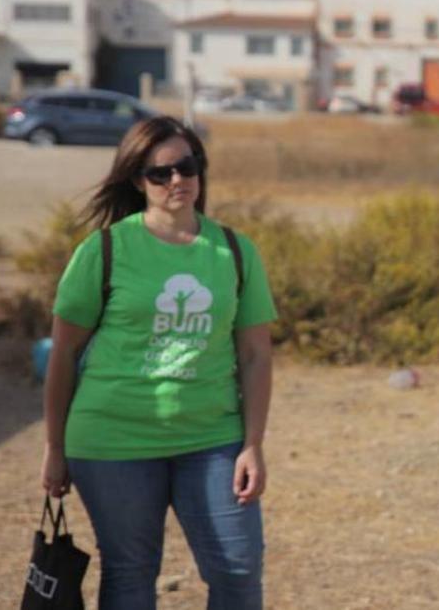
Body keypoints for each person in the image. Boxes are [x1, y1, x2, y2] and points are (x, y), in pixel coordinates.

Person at [39, 116, 277, 609]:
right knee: (130, 574)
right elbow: (64, 352)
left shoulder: (234, 251)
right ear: (136, 179)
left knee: (238, 568)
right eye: (160, 173)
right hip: (112, 441)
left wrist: (252, 444)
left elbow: (255, 354)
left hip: (212, 438)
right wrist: (54, 446)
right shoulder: (102, 251)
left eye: (187, 167)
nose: (177, 181)